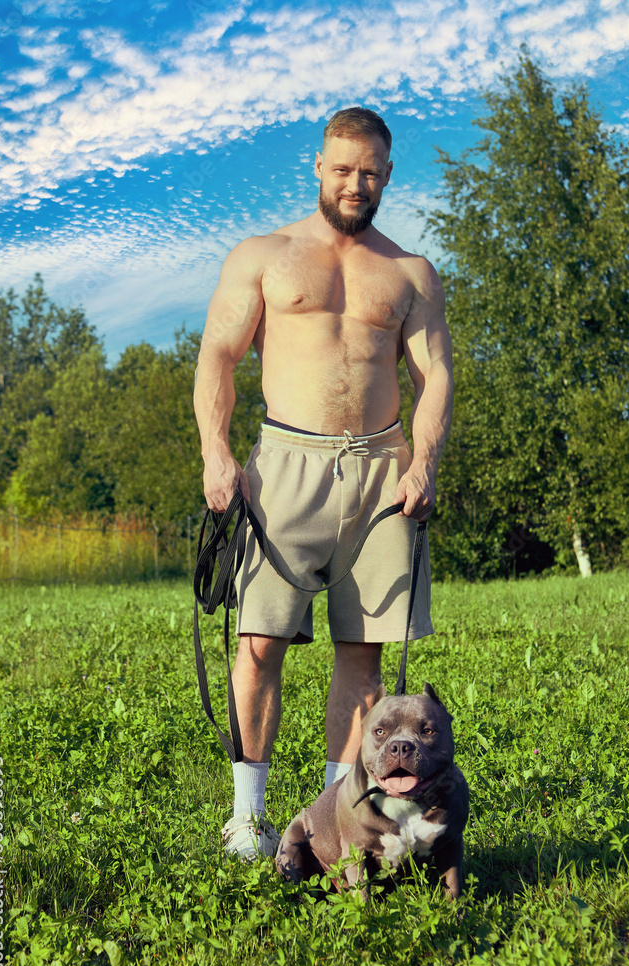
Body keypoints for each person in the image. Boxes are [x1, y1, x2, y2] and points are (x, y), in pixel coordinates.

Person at [193, 107, 453, 860]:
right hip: (285, 466)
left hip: (382, 471)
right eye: (342, 168)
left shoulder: (409, 272)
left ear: (388, 175)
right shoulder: (264, 256)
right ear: (317, 165)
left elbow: (433, 372)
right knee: (259, 644)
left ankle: (346, 818)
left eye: (369, 171)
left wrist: (424, 461)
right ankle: (248, 817)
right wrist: (217, 455)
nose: (355, 182)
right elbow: (217, 355)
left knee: (362, 654)